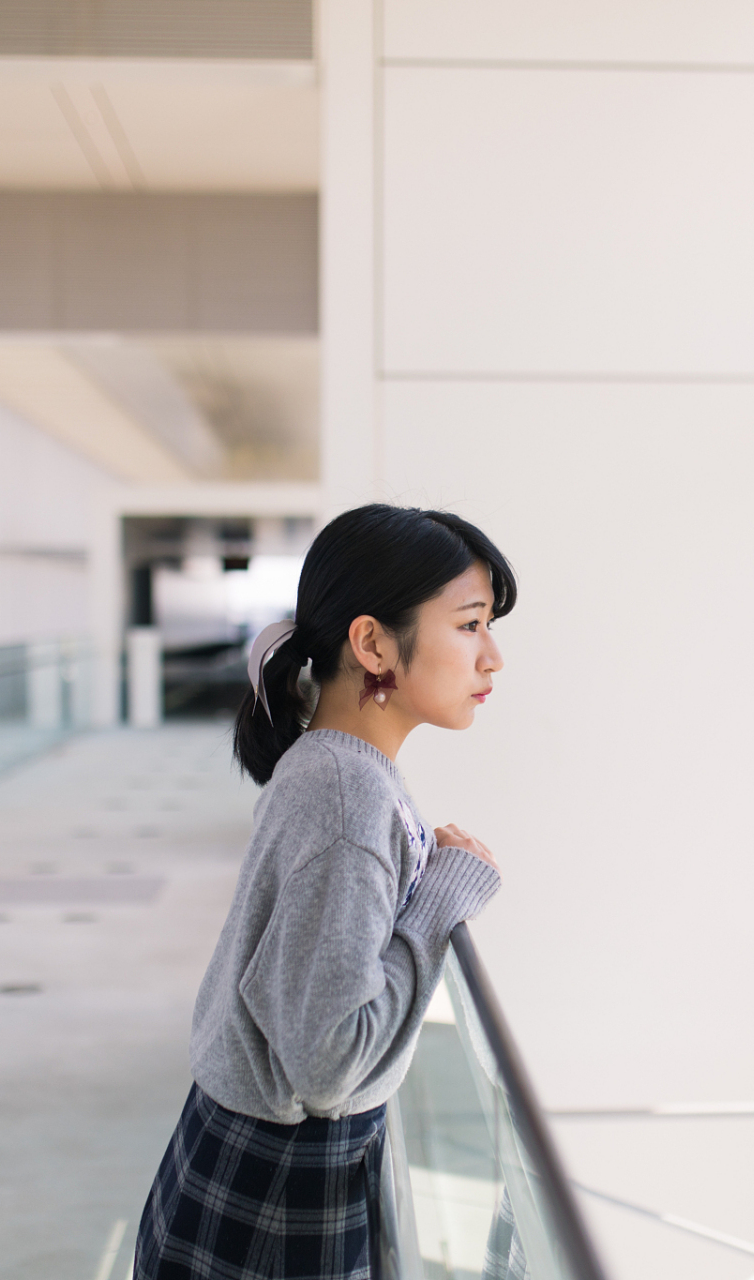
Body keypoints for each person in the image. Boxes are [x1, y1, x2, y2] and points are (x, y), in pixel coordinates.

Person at [134, 504, 517, 1280]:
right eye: (471, 624)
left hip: (247, 1171)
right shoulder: (347, 796)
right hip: (277, 1195)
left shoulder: (338, 771)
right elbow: (330, 1059)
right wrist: (442, 901)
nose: (494, 658)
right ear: (373, 642)